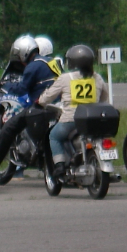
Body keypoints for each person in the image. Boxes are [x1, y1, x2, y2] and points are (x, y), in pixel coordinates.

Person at [36, 44, 109, 181]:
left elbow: (48, 96)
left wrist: (39, 102)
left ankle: (60, 165)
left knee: (54, 136)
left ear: (72, 62)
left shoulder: (66, 78)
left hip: (72, 118)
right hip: (93, 118)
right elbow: (104, 97)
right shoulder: (97, 78)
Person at [0, 34, 59, 169]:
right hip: (58, 104)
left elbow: (21, 89)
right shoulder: (52, 62)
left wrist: (5, 85)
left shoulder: (32, 66)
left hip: (41, 107)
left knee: (9, 128)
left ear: (24, 52)